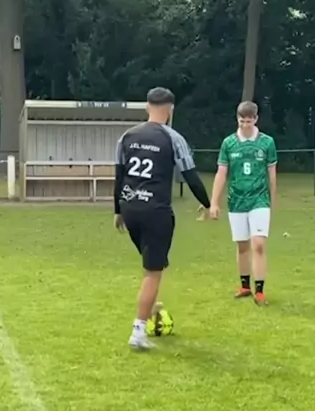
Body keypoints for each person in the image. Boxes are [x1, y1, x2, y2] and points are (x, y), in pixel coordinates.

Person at [114, 87, 211, 350]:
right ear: (171, 110)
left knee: (151, 265)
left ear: (147, 107)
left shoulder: (127, 137)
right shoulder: (173, 138)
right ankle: (138, 332)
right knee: (153, 272)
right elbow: (190, 176)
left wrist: (117, 210)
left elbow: (119, 176)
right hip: (156, 211)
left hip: (130, 208)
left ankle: (153, 307)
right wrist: (208, 204)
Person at [209, 101, 277, 306]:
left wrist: (272, 200)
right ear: (237, 119)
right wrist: (214, 203)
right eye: (242, 121)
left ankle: (260, 291)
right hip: (236, 200)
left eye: (249, 121)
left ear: (256, 119)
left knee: (258, 244)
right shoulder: (229, 143)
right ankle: (245, 286)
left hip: (259, 199)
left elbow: (272, 174)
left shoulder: (267, 142)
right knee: (242, 246)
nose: (245, 125)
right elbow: (222, 173)